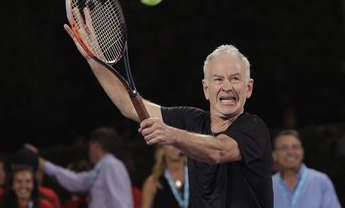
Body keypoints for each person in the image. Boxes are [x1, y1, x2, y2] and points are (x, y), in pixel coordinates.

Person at [65, 21, 273, 207]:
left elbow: (219, 151)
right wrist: (93, 58)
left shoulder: (254, 128)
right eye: (218, 79)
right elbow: (128, 106)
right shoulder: (189, 120)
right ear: (206, 88)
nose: (227, 86)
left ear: (248, 88)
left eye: (235, 79)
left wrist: (171, 134)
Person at [29, 127, 133, 208]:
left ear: (95, 146)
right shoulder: (102, 168)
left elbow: (122, 204)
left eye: (89, 147)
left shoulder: (112, 165)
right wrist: (43, 163)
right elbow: (76, 182)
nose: (89, 151)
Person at [272, 129, 341, 208]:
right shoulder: (268, 184)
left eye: (295, 147)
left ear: (302, 151)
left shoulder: (321, 181)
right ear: (274, 155)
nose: (291, 152)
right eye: (284, 148)